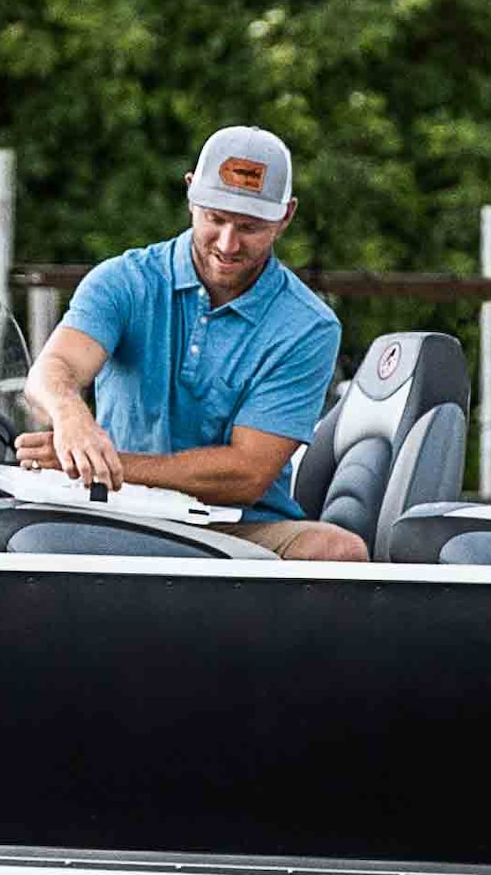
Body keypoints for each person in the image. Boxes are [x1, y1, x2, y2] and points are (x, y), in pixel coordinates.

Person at [20, 125, 364, 561]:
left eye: (249, 227)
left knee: (337, 549)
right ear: (190, 195)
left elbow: (247, 473)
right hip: (112, 514)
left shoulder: (309, 327)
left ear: (286, 216)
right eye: (215, 219)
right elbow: (53, 369)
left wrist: (109, 465)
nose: (227, 243)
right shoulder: (123, 279)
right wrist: (71, 418)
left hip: (235, 530)